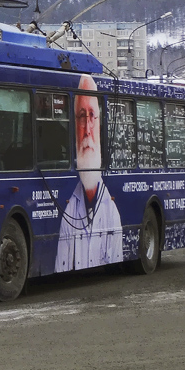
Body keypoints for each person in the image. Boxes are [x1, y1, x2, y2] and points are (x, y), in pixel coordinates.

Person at [56, 74, 124, 272]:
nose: (87, 130)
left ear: (100, 124)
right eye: (80, 117)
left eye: (92, 116)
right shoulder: (68, 213)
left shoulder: (112, 212)